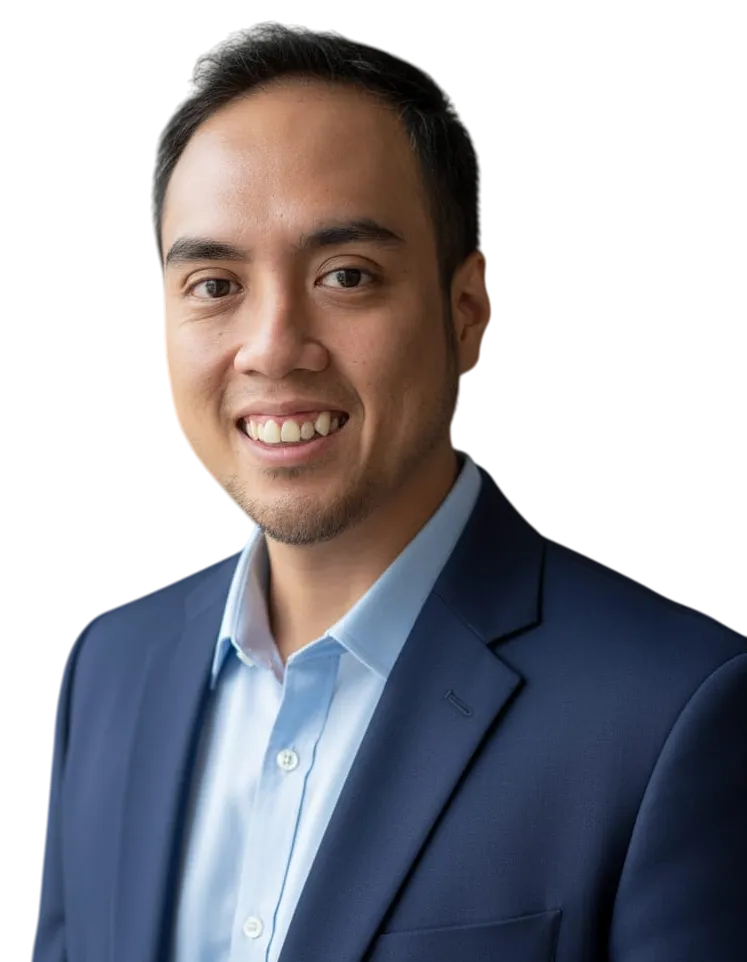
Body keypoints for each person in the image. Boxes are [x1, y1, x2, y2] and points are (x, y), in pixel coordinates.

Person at [31, 27, 747, 962]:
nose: (273, 346)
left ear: (466, 313)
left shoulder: (672, 713)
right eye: (214, 284)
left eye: (346, 276)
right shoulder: (108, 670)